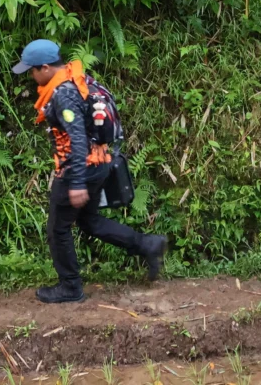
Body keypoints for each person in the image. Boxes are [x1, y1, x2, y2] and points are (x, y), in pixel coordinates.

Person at [12, 38, 167, 303]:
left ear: (46, 67)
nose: (32, 75)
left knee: (57, 229)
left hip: (79, 167)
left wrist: (76, 183)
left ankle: (70, 287)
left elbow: (78, 138)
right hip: (98, 163)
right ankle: (148, 245)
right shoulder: (75, 79)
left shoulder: (63, 94)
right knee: (89, 220)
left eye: (33, 70)